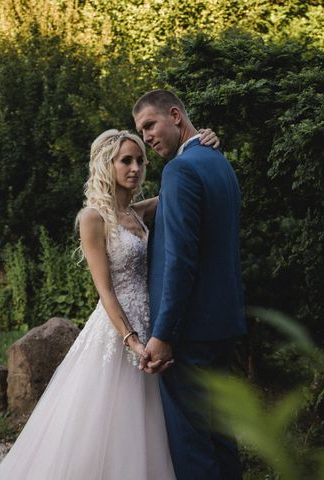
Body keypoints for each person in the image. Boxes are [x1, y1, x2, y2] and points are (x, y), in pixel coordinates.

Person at [0, 127, 220, 479]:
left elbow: (180, 186)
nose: (135, 168)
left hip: (153, 322)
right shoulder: (92, 218)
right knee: (106, 421)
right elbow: (105, 292)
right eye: (125, 160)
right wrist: (132, 341)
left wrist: (202, 145)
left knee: (152, 420)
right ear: (106, 165)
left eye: (141, 160)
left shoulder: (139, 213)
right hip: (118, 331)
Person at [133, 89, 247, 479]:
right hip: (222, 325)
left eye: (150, 125)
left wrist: (164, 334)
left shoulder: (180, 170)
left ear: (176, 116)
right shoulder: (218, 162)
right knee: (219, 435)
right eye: (141, 131)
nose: (147, 137)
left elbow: (181, 259)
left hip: (190, 333)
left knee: (191, 443)